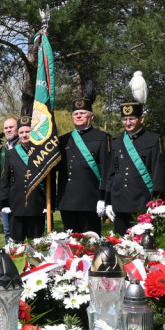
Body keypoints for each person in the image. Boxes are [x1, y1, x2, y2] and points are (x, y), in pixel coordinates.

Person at [105, 101, 165, 235]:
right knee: (121, 246)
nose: (128, 123)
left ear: (141, 119)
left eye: (131, 118)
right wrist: (108, 201)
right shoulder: (117, 142)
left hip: (142, 202)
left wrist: (156, 202)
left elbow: (159, 172)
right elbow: (112, 174)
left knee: (143, 246)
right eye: (125, 119)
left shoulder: (154, 139)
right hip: (119, 201)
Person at [56, 98, 110, 235]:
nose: (78, 116)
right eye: (75, 113)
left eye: (82, 113)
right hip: (67, 200)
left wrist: (104, 198)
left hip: (90, 200)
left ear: (91, 116)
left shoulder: (103, 137)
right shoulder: (63, 140)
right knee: (70, 244)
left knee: (90, 244)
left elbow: (106, 171)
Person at [0, 116, 46, 242]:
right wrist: (4, 202)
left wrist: (49, 204)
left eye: (27, 131)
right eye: (21, 132)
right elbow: (5, 180)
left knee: (37, 244)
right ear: (18, 134)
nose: (24, 135)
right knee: (16, 244)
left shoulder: (43, 152)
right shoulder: (11, 154)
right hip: (16, 205)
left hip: (37, 204)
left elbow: (48, 179)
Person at [0, 116, 19, 241]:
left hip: (21, 196)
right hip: (5, 196)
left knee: (20, 229)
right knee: (7, 231)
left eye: (11, 127)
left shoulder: (26, 146)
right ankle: (9, 257)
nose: (8, 130)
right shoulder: (2, 150)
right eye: (6, 128)